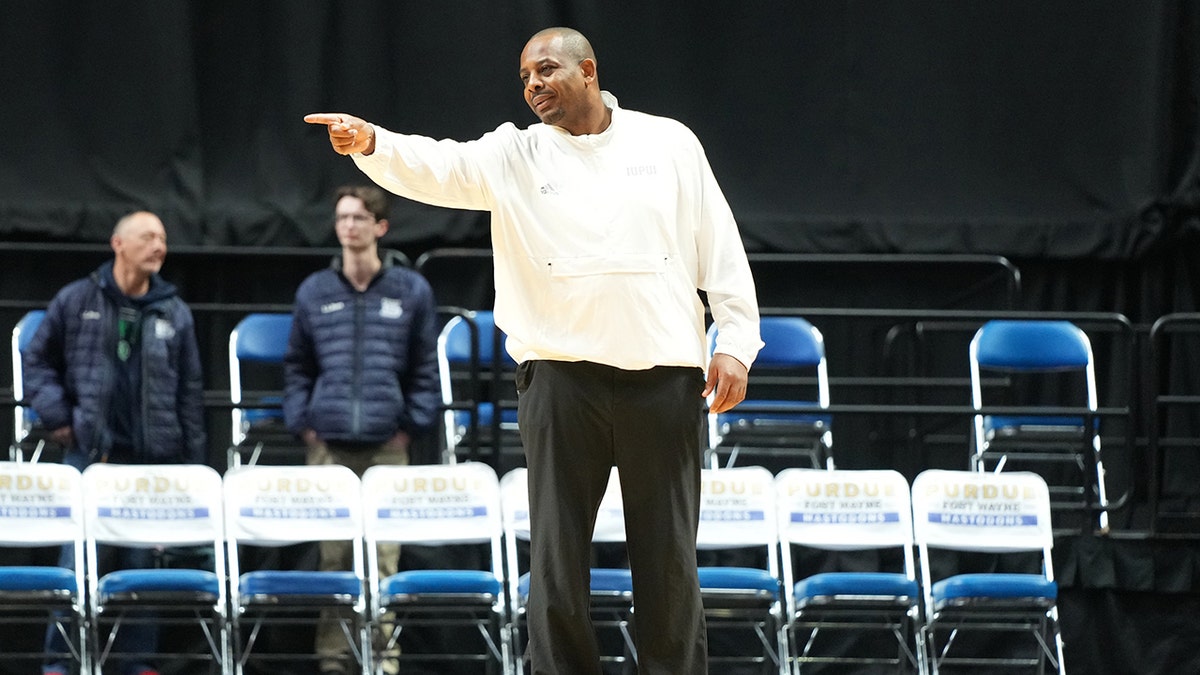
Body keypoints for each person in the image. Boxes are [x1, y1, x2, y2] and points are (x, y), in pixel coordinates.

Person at [305, 26, 762, 675]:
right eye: (524, 77)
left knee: (668, 563)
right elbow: (439, 164)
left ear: (589, 70)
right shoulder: (513, 154)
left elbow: (720, 245)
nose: (533, 86)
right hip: (558, 379)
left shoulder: (669, 142)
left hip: (663, 379)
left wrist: (737, 341)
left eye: (545, 70)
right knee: (555, 561)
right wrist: (372, 142)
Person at [23, 210, 207, 675]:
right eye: (148, 237)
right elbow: (36, 362)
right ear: (118, 244)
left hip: (150, 465)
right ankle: (60, 664)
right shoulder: (76, 299)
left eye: (163, 238)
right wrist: (61, 417)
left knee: (143, 570)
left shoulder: (175, 311)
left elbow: (189, 392)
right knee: (77, 567)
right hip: (91, 457)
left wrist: (191, 465)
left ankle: (135, 662)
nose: (159, 246)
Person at [282, 184, 441, 675]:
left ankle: (383, 660)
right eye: (342, 218)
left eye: (357, 217)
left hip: (387, 448)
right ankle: (333, 660)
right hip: (328, 448)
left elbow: (425, 370)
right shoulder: (314, 291)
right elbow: (296, 368)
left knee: (384, 562)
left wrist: (409, 426)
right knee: (333, 562)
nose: (348, 226)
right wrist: (304, 425)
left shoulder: (411, 289)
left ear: (380, 227)